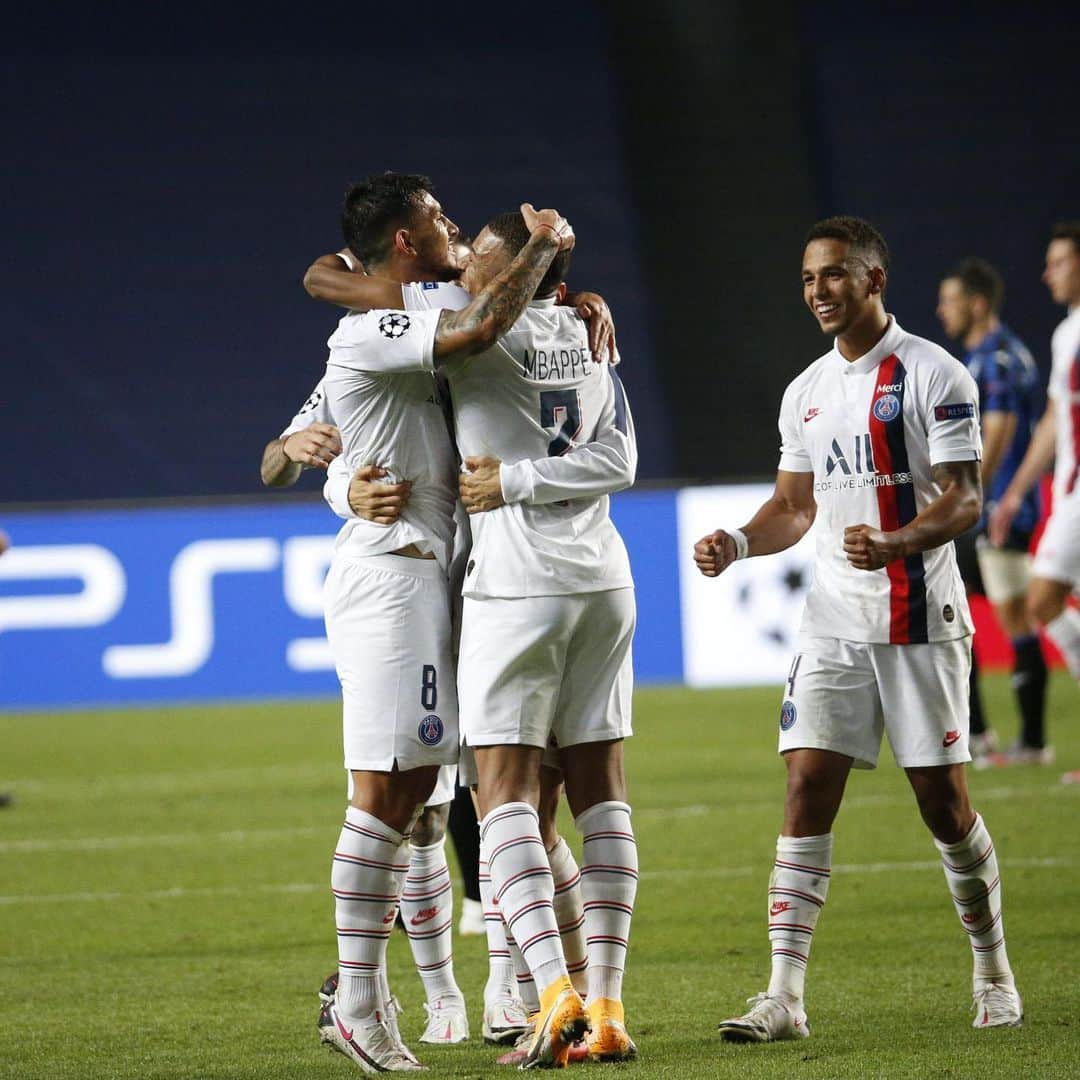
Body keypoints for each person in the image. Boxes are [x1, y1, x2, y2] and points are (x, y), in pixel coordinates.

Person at [318, 206, 639, 1067]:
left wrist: (545, 269)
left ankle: (550, 997)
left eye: (482, 271)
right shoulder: (585, 334)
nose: (467, 278)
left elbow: (476, 318)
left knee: (490, 799)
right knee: (587, 795)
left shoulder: (472, 338)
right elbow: (623, 457)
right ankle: (596, 1000)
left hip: (507, 583)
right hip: (602, 580)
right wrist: (341, 482)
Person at [695, 216, 1023, 1041]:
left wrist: (895, 541)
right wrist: (738, 541)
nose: (818, 291)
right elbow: (795, 507)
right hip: (832, 622)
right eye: (809, 278)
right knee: (806, 786)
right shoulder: (805, 391)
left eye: (835, 275)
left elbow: (964, 496)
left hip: (918, 617)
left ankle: (992, 968)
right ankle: (783, 996)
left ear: (875, 280)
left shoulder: (933, 374)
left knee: (942, 805)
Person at [258, 378, 473, 1047]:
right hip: (391, 581)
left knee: (432, 804)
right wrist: (294, 448)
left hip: (465, 575)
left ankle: (445, 997)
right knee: (403, 796)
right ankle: (415, 998)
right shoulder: (358, 361)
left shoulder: (456, 342)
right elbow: (271, 464)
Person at [936, 258, 1049, 766]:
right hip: (992, 505)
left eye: (951, 301)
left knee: (1013, 616)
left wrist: (971, 491)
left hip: (995, 507)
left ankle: (1029, 741)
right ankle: (983, 733)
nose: (942, 311)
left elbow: (999, 428)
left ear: (976, 304)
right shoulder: (994, 355)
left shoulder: (996, 358)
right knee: (956, 613)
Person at [990, 221, 1080, 779]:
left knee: (1042, 599)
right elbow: (1052, 418)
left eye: (1060, 261)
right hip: (1068, 496)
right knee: (1041, 603)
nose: (1048, 272)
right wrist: (1018, 489)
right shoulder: (1065, 334)